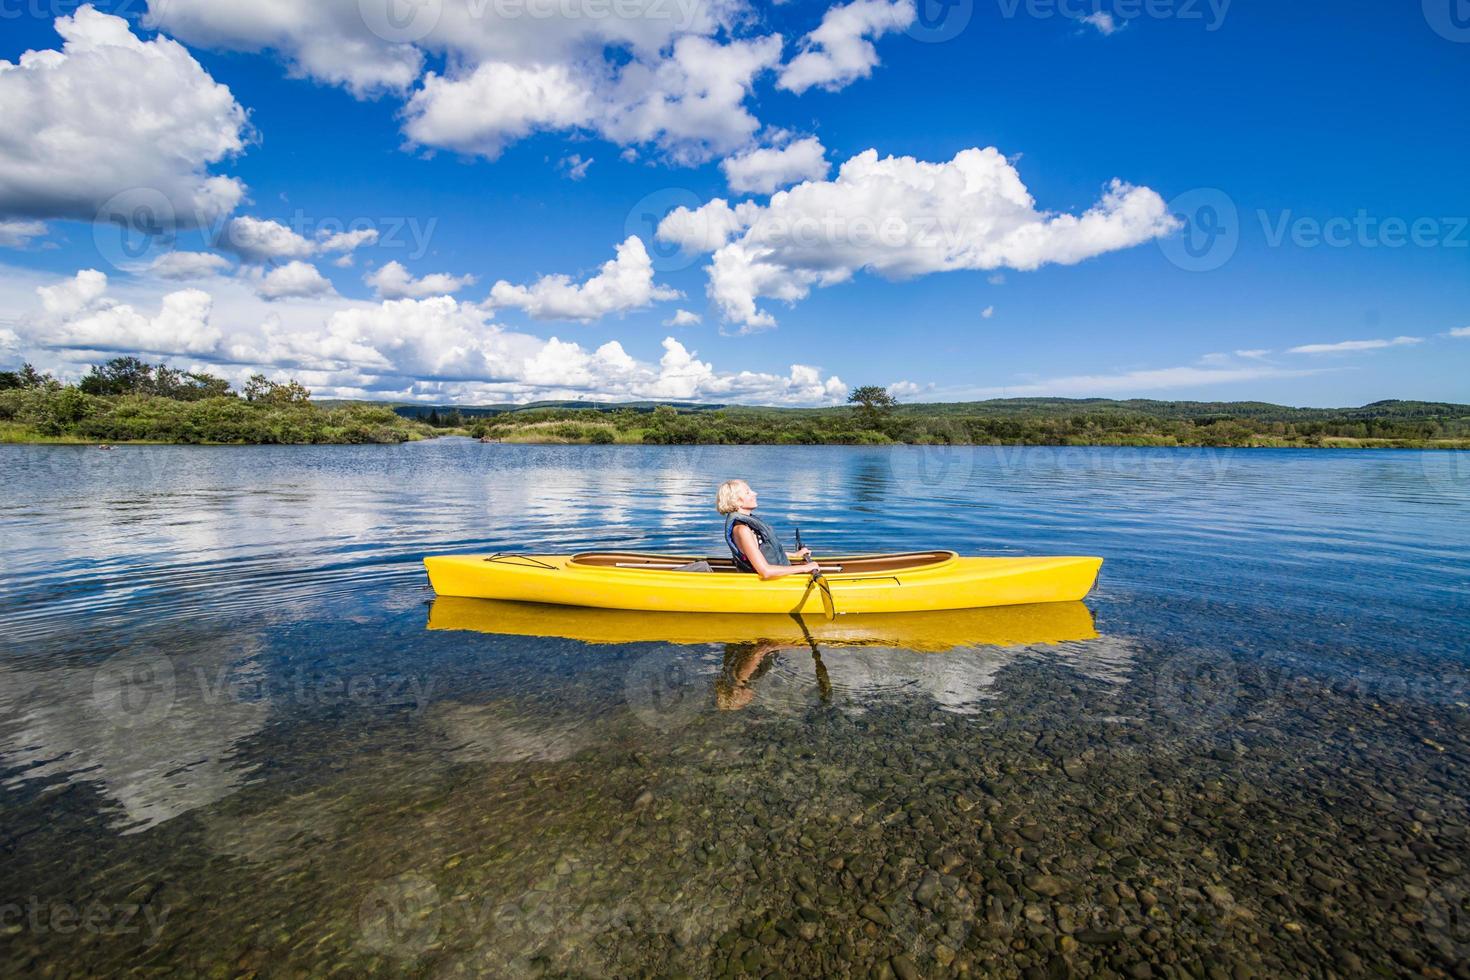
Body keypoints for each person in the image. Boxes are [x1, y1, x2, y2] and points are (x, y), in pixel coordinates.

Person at [715, 479, 819, 579]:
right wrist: (805, 568)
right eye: (748, 492)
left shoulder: (747, 526)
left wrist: (795, 555)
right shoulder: (742, 530)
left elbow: (766, 554)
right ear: (737, 501)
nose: (755, 493)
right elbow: (765, 571)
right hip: (765, 582)